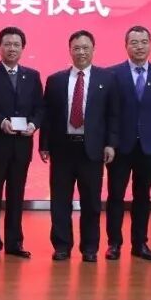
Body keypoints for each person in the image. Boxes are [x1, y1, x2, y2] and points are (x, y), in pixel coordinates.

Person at [39, 30, 118, 263]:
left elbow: (113, 115)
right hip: (62, 148)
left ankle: (90, 248)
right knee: (60, 201)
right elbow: (48, 115)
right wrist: (44, 144)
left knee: (91, 202)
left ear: (93, 50)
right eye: (76, 48)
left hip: (91, 150)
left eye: (85, 48)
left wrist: (111, 144)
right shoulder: (55, 80)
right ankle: (62, 246)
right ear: (70, 50)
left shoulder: (107, 79)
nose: (81, 52)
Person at [0, 26, 43, 258]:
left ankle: (14, 243)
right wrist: (0, 121)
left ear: (23, 48)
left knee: (16, 196)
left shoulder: (32, 76)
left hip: (21, 146)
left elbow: (40, 108)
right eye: (7, 44)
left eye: (16, 45)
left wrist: (34, 124)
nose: (12, 48)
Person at [104, 26, 151, 261]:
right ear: (126, 46)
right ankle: (114, 243)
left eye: (144, 42)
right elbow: (108, 113)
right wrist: (109, 142)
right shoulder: (113, 74)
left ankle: (140, 243)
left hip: (149, 147)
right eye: (134, 42)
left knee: (142, 197)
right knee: (115, 196)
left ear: (150, 45)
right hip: (120, 147)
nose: (139, 46)